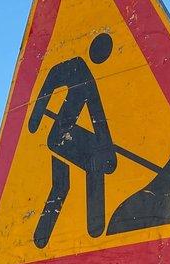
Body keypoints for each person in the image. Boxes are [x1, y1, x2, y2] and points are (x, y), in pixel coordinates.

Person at [27, 32, 116, 248]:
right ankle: (46, 236)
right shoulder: (76, 68)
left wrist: (106, 149)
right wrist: (35, 119)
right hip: (57, 136)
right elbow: (48, 86)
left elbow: (97, 114)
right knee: (62, 184)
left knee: (76, 173)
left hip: (62, 136)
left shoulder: (85, 76)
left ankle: (94, 228)